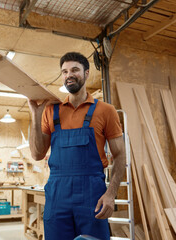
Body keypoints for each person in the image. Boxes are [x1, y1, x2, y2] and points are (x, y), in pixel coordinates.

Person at [28, 52, 126, 240]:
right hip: (58, 195)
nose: (68, 75)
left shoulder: (105, 111)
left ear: (87, 73)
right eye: (64, 72)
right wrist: (35, 114)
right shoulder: (51, 111)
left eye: (74, 70)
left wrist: (111, 194)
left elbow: (120, 155)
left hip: (92, 194)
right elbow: (37, 154)